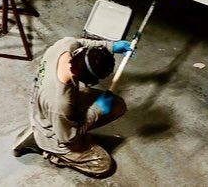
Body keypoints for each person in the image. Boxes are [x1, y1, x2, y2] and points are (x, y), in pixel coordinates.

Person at [12, 36, 135, 177]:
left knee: (116, 104)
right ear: (88, 80)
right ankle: (49, 149)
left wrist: (111, 46)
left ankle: (40, 129)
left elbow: (82, 42)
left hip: (44, 108)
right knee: (103, 165)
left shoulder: (65, 46)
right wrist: (97, 111)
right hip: (58, 131)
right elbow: (69, 137)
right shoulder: (60, 102)